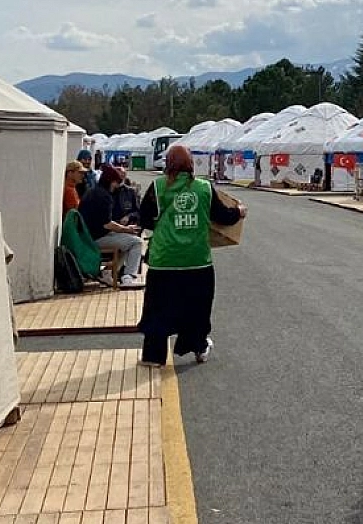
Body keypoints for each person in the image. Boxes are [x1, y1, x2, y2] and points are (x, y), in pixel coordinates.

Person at [137, 146, 244, 367]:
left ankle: (153, 356)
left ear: (167, 163)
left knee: (158, 307)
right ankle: (197, 346)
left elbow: (145, 219)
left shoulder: (157, 187)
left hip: (163, 260)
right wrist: (239, 211)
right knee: (197, 307)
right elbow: (223, 217)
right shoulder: (204, 187)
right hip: (196, 260)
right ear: (191, 164)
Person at [79, 165, 144, 288]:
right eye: (116, 182)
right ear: (111, 181)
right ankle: (128, 277)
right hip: (97, 238)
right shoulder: (105, 196)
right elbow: (107, 224)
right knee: (137, 242)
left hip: (88, 236)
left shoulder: (91, 191)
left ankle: (108, 272)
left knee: (126, 242)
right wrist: (126, 229)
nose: (117, 186)